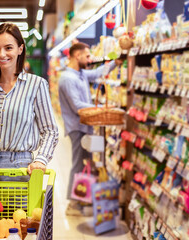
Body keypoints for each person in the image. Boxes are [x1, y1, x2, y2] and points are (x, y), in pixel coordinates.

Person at [0, 23, 59, 180]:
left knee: (18, 206)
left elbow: (50, 130)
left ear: (20, 49)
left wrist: (41, 160)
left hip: (20, 168)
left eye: (8, 48)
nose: (1, 54)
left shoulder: (36, 85)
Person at [58, 42, 121, 215]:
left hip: (85, 126)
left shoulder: (81, 74)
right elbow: (77, 106)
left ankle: (81, 197)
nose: (90, 59)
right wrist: (101, 109)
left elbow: (97, 73)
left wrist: (117, 61)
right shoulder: (67, 79)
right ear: (76, 56)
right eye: (87, 56)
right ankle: (72, 204)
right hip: (76, 127)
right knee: (78, 163)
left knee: (85, 162)